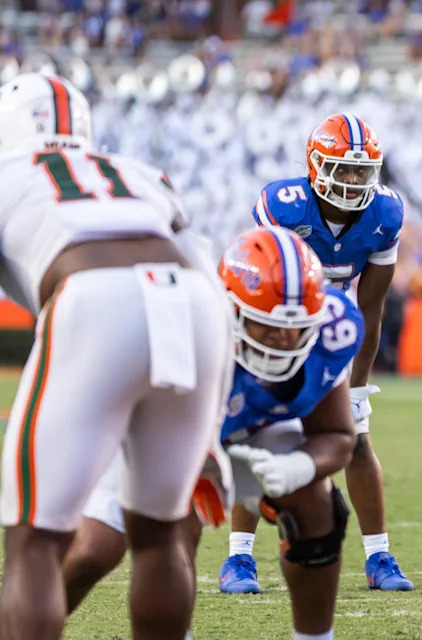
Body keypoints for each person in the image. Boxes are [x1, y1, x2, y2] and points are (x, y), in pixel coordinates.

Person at [0, 73, 232, 640]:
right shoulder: (140, 174)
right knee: (159, 535)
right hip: (193, 307)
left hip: (93, 296)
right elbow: (209, 280)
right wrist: (211, 428)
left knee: (35, 540)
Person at [64, 227, 362, 640]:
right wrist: (205, 466)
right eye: (266, 324)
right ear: (229, 311)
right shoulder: (184, 330)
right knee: (95, 551)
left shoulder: (333, 331)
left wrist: (300, 466)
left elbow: (338, 434)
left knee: (318, 502)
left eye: (297, 328)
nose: (285, 339)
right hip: (159, 429)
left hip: (253, 427)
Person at [226, 112, 412, 593]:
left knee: (359, 439)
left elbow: (371, 309)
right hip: (276, 329)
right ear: (314, 166)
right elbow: (266, 279)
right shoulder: (283, 205)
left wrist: (358, 383)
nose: (352, 181)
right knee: (255, 437)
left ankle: (379, 557)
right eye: (342, 169)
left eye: (360, 171)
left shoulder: (385, 213)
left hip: (332, 332)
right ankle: (238, 559)